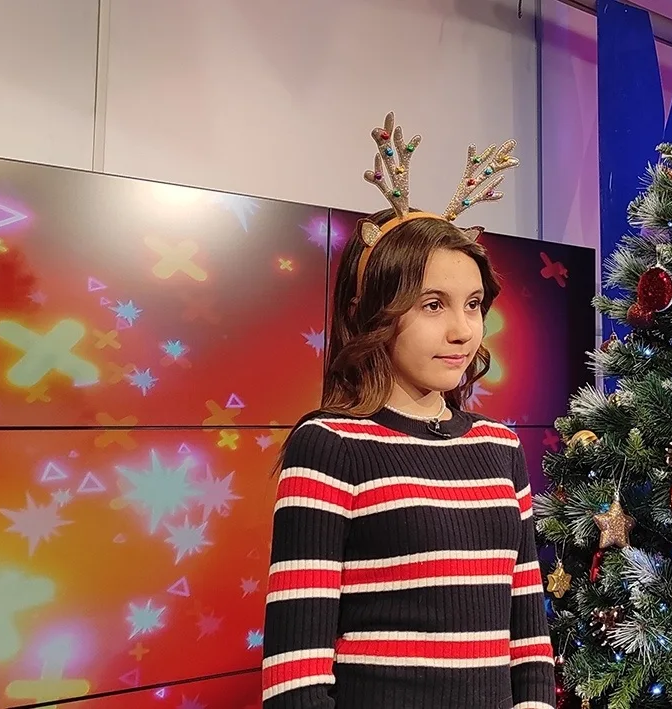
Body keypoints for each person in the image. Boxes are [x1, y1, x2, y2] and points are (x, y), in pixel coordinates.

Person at [261, 113, 555, 709]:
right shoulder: (330, 444)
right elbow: (295, 675)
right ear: (372, 312)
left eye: (473, 304)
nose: (462, 330)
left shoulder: (499, 447)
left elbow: (528, 637)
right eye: (432, 304)